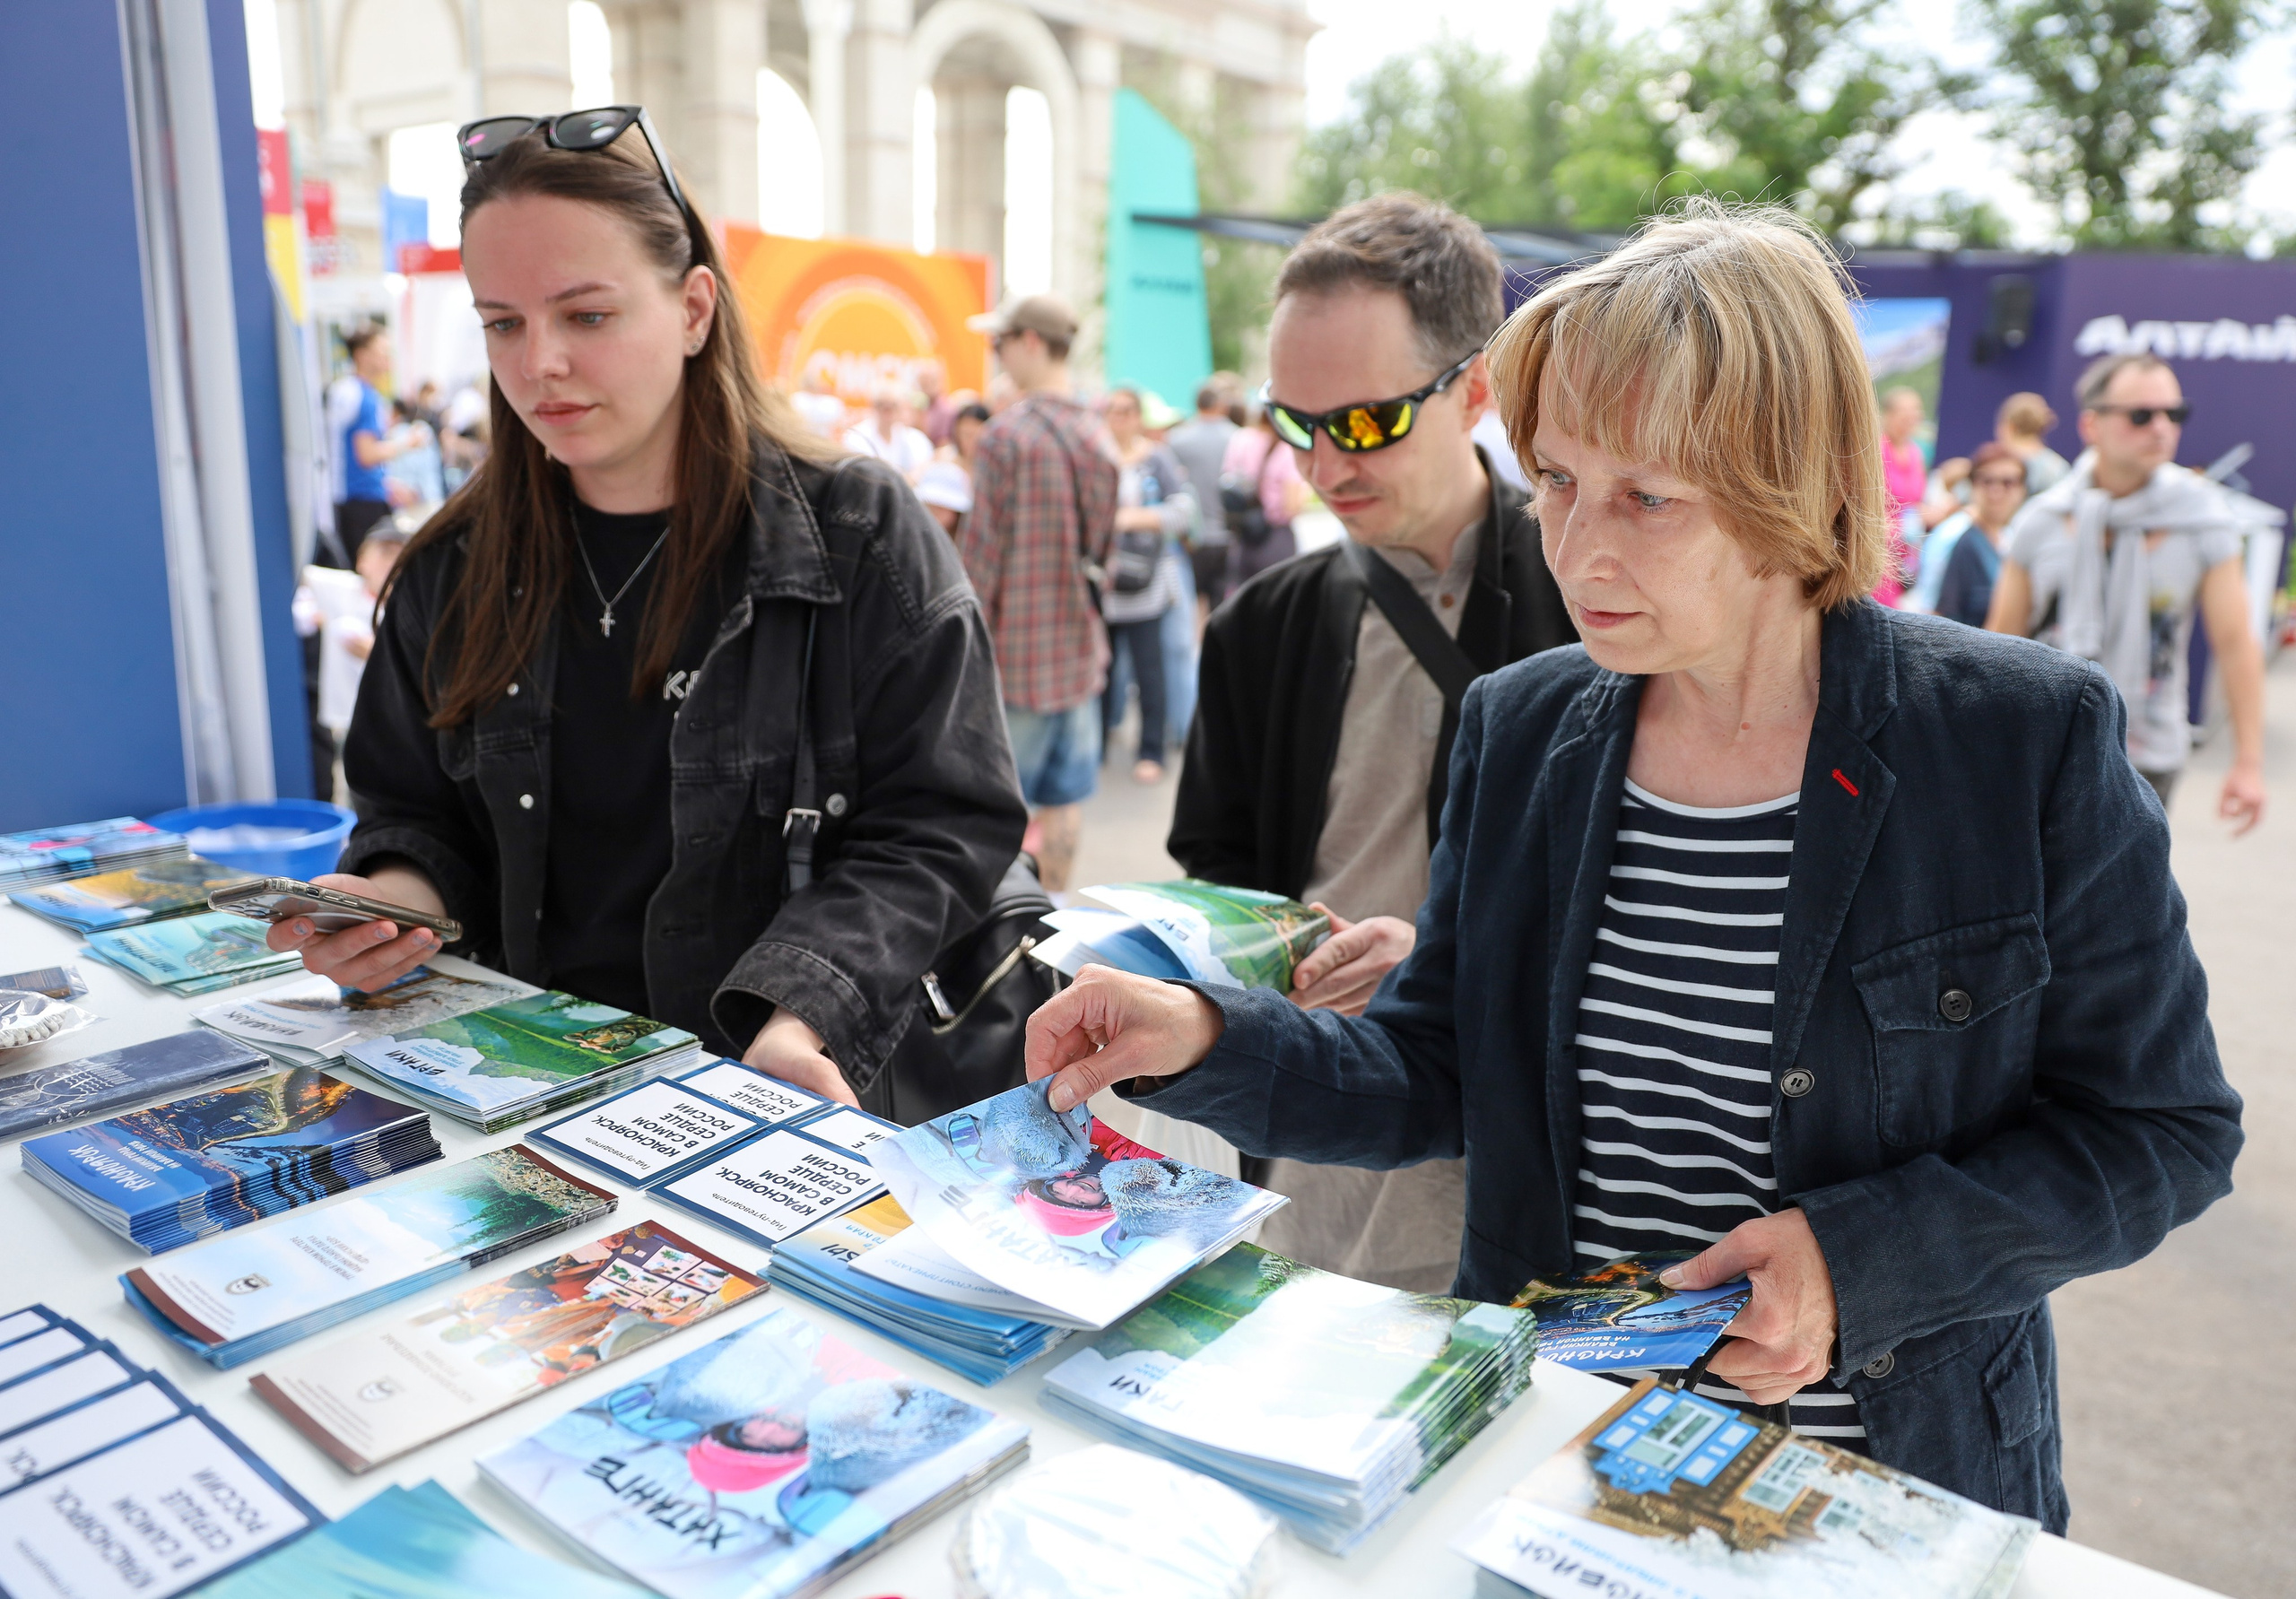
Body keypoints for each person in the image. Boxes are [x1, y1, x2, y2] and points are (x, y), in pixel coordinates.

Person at [1029, 202, 2241, 1528]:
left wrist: (1860, 1261)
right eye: (1553, 479)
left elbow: (2160, 1130)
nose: (1578, 547)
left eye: (1647, 497)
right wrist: (1202, 1033)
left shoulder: (2016, 738)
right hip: (1570, 1457)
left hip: (1888, 1476)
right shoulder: (1527, 723)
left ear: (1798, 479)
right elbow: (1438, 1070)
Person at [267, 107, 1025, 1112]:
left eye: (586, 315)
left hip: (788, 1097)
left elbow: (943, 825)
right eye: (503, 322)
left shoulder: (856, 533)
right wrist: (389, 908)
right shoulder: (454, 563)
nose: (539, 364)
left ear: (695, 310)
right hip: (529, 1097)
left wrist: (803, 1009)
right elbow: (412, 814)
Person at [1166, 191, 1576, 1292]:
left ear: (1476, 388)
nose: (1324, 463)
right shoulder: (1265, 620)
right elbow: (1218, 866)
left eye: (1365, 421)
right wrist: (1273, 950)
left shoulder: (1598, 597)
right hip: (1321, 1125)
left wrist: (1450, 967)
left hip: (1531, 1142)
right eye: (1294, 423)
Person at [1985, 353, 2266, 827]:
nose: (2161, 428)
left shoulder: (2203, 519)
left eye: (2174, 414)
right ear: (2091, 424)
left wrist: (2249, 763)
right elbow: (1998, 646)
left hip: (2148, 756)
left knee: (2130, 901)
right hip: (2041, 750)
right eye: (2141, 415)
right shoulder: (2044, 519)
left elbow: (2236, 641)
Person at [956, 294, 1119, 894]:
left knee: (998, 806)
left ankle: (1002, 928)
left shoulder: (1005, 438)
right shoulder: (1097, 438)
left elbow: (977, 566)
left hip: (1014, 661)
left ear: (1029, 343)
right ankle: (1051, 917)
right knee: (1065, 799)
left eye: (1000, 342)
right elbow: (1103, 553)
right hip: (1079, 653)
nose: (996, 354)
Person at [1098, 387, 1196, 785]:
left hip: (1146, 580)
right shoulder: (1096, 456)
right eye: (1112, 410)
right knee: (1101, 671)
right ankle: (1097, 745)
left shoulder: (1156, 459)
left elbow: (1184, 510)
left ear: (1138, 416)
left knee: (1149, 668)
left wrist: (1136, 519)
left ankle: (1152, 748)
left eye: (1126, 411)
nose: (1119, 418)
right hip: (1103, 581)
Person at [333, 326, 422, 563]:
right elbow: (366, 455)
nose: (387, 360)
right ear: (362, 355)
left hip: (356, 498)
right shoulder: (364, 397)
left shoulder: (351, 391)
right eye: (382, 352)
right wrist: (408, 443)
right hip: (361, 501)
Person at [1930, 444, 2026, 628]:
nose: (1996, 491)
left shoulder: (2011, 535)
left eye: (2008, 482)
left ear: (2022, 489)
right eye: (1987, 481)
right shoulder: (1954, 536)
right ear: (1972, 485)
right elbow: (1938, 617)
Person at [1166, 380, 1239, 611]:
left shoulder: (1177, 440)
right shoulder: (1237, 437)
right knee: (1224, 602)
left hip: (1192, 536)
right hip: (1229, 532)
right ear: (1221, 405)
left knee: (1193, 602)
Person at [844, 386, 933, 479]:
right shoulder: (857, 437)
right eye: (882, 405)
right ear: (874, 406)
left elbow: (926, 465)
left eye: (894, 406)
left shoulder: (914, 437)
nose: (888, 412)